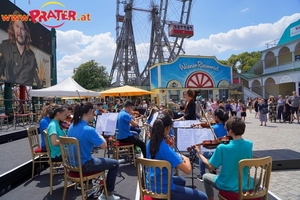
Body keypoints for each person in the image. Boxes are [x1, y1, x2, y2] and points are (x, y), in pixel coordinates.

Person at [146, 113, 208, 200]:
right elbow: (188, 170)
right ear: (167, 128)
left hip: (151, 185)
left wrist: (171, 149)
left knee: (181, 181)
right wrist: (186, 158)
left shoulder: (150, 142)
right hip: (163, 190)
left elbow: (161, 155)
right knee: (203, 197)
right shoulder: (165, 148)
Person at [67, 102, 120, 200]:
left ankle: (89, 188)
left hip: (72, 164)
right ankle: (107, 194)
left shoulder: (72, 126)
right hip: (84, 165)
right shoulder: (89, 130)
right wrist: (99, 135)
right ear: (91, 111)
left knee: (91, 158)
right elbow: (104, 145)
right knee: (115, 164)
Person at [195, 117, 253, 200]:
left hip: (227, 185)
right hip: (245, 184)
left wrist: (200, 154)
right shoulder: (249, 144)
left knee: (205, 177)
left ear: (230, 131)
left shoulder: (222, 147)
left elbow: (211, 166)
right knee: (256, 179)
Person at [0, 10, 43, 87]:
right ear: (12, 27)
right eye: (17, 26)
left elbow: (38, 84)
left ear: (26, 32)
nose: (19, 32)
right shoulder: (5, 47)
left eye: (22, 28)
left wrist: (40, 81)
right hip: (10, 96)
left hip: (26, 97)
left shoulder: (31, 56)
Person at [197, 108, 229, 182]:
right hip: (225, 150)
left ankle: (202, 174)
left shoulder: (213, 128)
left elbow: (209, 139)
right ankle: (213, 170)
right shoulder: (227, 127)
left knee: (203, 154)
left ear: (217, 117)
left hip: (216, 151)